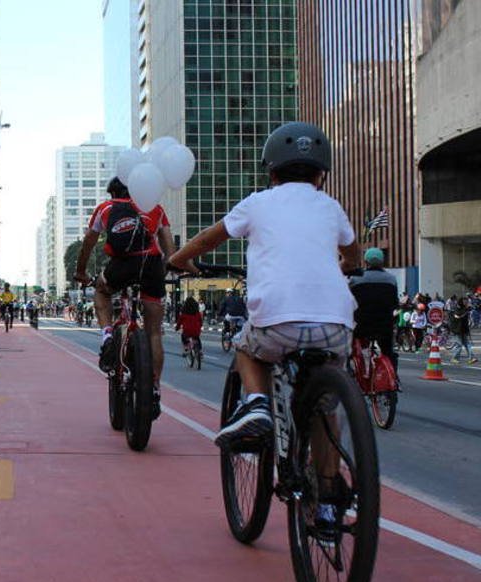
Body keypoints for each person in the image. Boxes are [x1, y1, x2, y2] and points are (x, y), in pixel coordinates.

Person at [169, 121, 360, 454]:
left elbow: (205, 240)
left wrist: (176, 261)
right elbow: (353, 258)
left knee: (245, 348)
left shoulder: (257, 203)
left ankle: (257, 404)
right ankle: (328, 499)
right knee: (326, 411)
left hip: (277, 324)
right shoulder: (332, 207)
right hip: (335, 326)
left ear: (271, 172)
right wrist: (339, 268)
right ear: (321, 175)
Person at [73, 176, 176, 419]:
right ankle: (154, 389)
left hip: (120, 266)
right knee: (153, 332)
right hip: (150, 265)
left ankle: (108, 334)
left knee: (101, 290)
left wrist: (80, 271)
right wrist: (165, 269)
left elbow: (88, 242)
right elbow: (170, 250)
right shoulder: (155, 208)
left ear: (112, 192)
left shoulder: (106, 208)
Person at [349, 247, 399, 373]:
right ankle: (393, 376)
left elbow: (349, 302)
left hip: (362, 324)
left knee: (348, 349)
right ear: (382, 261)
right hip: (384, 324)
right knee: (388, 352)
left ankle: (349, 372)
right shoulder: (391, 279)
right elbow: (394, 303)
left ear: (366, 262)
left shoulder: (355, 279)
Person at [449, 298, 477, 364]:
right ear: (461, 302)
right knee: (459, 344)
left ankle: (471, 358)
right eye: (465, 302)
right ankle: (454, 358)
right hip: (457, 330)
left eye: (467, 302)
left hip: (464, 330)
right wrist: (466, 311)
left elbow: (466, 321)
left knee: (467, 344)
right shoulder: (457, 309)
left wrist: (467, 330)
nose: (466, 303)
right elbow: (457, 316)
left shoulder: (466, 309)